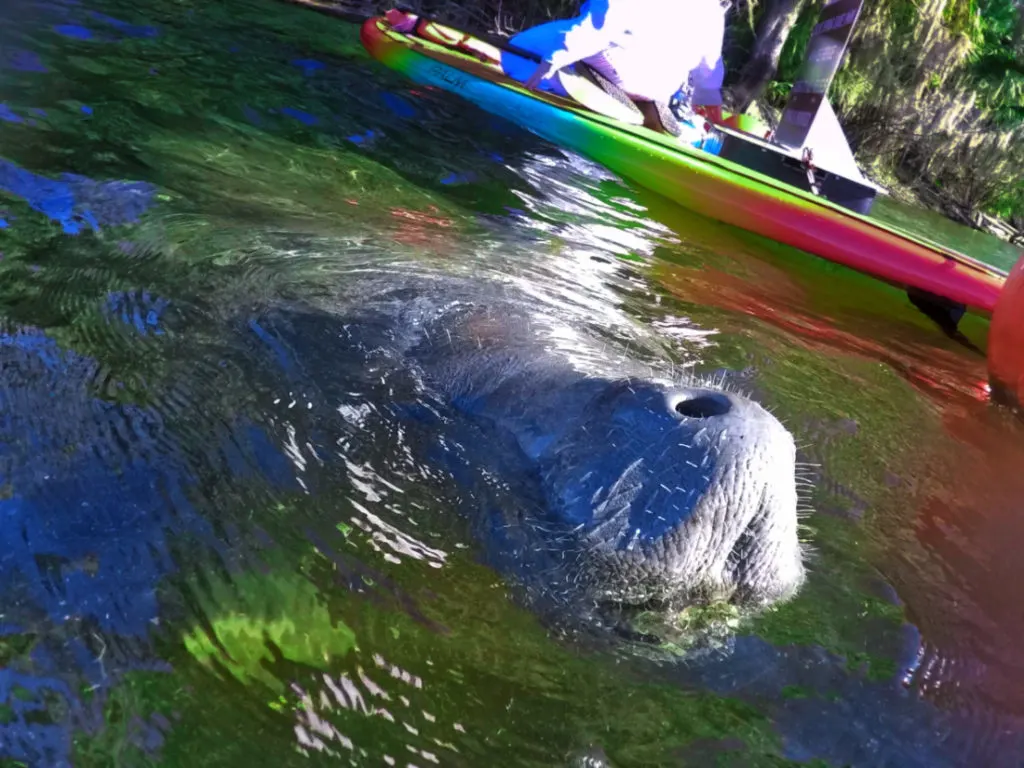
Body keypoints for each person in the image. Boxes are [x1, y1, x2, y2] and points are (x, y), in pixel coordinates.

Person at [500, 0, 728, 133]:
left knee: (519, 47)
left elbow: (598, 26)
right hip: (662, 86)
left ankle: (556, 87)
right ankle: (644, 105)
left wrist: (555, 58)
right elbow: (709, 67)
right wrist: (707, 103)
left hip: (618, 69)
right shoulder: (713, 8)